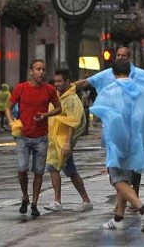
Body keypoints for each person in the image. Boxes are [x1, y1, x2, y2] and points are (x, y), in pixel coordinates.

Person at [89, 59, 144, 232]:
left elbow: (99, 113)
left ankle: (143, 209)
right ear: (130, 71)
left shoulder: (109, 90)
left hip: (117, 141)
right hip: (134, 140)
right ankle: (118, 218)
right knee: (125, 179)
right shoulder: (139, 90)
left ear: (112, 73)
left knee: (117, 180)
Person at [5, 59, 62, 218]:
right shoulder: (21, 88)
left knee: (38, 172)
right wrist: (11, 122)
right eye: (38, 69)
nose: (42, 72)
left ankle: (35, 204)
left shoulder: (49, 90)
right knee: (22, 169)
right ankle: (25, 196)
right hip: (23, 136)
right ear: (31, 72)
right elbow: (8, 108)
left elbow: (58, 108)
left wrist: (45, 115)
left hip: (41, 137)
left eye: (43, 69)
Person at [43, 68, 93, 212]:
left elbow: (72, 122)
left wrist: (67, 143)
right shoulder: (58, 96)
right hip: (56, 140)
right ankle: (86, 200)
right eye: (55, 81)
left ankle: (57, 201)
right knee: (70, 171)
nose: (56, 84)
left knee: (53, 167)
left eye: (59, 81)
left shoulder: (72, 100)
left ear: (67, 82)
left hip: (63, 142)